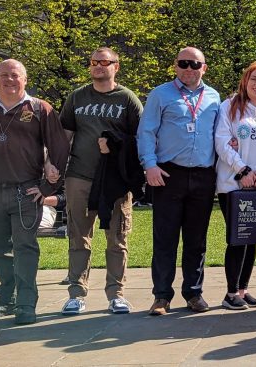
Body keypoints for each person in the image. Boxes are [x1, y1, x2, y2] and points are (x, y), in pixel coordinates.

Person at [0, 59, 69, 325]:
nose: (9, 80)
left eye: (15, 75)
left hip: (25, 194)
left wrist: (47, 188)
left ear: (25, 79)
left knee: (25, 248)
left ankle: (26, 303)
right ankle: (6, 299)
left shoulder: (41, 109)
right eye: (4, 75)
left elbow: (60, 150)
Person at [59, 47, 143, 316]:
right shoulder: (77, 96)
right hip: (79, 177)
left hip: (114, 182)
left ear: (116, 67)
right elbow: (65, 136)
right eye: (94, 62)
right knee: (78, 238)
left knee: (117, 239)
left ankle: (116, 294)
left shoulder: (127, 99)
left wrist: (115, 146)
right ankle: (76, 294)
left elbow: (140, 140)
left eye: (105, 62)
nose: (98, 66)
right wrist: (53, 167)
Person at [138, 47, 221, 316]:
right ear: (175, 66)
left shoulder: (213, 97)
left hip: (204, 175)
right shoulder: (160, 94)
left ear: (204, 68)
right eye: (183, 63)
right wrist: (149, 165)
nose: (189, 68)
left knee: (197, 239)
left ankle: (193, 293)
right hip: (168, 174)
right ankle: (161, 296)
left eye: (194, 64)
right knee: (165, 238)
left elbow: (219, 134)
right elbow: (146, 132)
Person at [214, 62, 256, 310]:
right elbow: (222, 142)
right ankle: (230, 293)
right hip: (234, 184)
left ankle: (243, 290)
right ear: (245, 81)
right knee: (238, 238)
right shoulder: (230, 107)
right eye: (254, 79)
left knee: (254, 237)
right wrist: (242, 170)